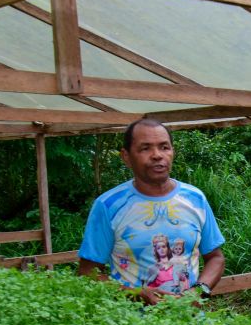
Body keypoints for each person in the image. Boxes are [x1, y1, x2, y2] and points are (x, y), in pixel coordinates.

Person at [78, 118, 225, 305]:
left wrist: (199, 291)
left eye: (164, 147)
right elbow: (87, 273)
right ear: (126, 156)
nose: (157, 155)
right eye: (145, 148)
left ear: (173, 151)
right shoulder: (109, 205)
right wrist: (135, 293)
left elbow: (215, 258)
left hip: (190, 323)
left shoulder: (195, 199)